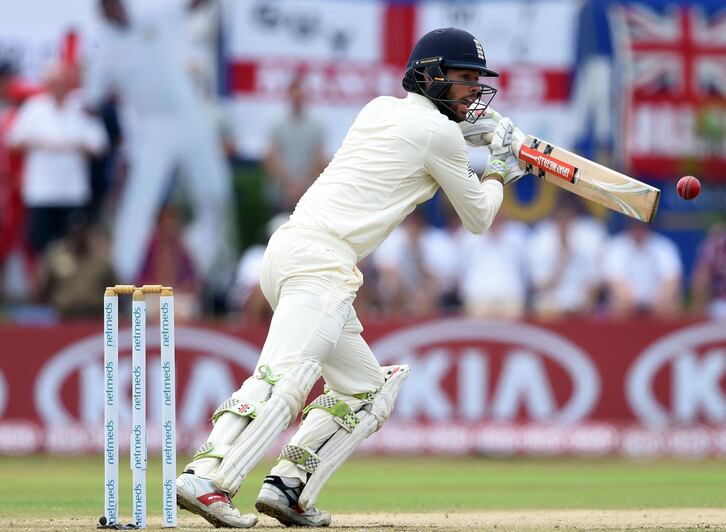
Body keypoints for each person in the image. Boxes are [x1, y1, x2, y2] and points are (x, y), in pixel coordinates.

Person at [174, 27, 524, 528]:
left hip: (289, 250)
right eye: (463, 78)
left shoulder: (379, 109)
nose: (473, 89)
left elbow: (425, 136)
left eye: (477, 80)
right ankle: (208, 477)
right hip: (323, 262)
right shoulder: (440, 135)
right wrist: (500, 168)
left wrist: (478, 131)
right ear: (430, 75)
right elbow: (479, 218)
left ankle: (288, 489)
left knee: (365, 391)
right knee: (286, 377)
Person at [83, 0, 234, 285]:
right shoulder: (104, 52)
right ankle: (122, 279)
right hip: (152, 129)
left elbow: (194, 6)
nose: (114, 9)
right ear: (102, 12)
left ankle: (208, 270)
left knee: (216, 193)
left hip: (189, 117)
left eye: (116, 3)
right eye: (107, 6)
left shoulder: (154, 17)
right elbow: (91, 102)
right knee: (139, 204)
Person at [7, 62, 107, 256]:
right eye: (53, 83)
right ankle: (45, 286)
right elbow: (13, 142)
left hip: (73, 191)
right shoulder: (34, 108)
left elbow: (100, 146)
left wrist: (73, 145)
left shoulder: (82, 108)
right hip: (41, 192)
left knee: (73, 246)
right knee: (41, 246)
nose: (58, 88)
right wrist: (41, 143)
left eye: (62, 83)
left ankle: (71, 287)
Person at [527, 194, 606, 319]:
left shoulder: (588, 237)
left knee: (594, 312)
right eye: (560, 219)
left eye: (568, 218)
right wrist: (562, 257)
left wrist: (587, 302)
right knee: (544, 308)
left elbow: (595, 284)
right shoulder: (542, 238)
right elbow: (540, 286)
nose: (564, 223)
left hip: (580, 299)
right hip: (551, 299)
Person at [263, 73, 327, 212]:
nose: (297, 98)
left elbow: (319, 160)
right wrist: (290, 186)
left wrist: (301, 186)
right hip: (280, 195)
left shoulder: (317, 126)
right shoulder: (277, 125)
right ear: (289, 95)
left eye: (301, 95)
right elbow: (272, 159)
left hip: (309, 196)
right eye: (295, 94)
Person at [601, 220, 683, 318]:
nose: (638, 231)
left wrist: (664, 297)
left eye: (642, 227)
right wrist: (627, 299)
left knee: (671, 302)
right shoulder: (615, 246)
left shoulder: (664, 246)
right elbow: (615, 280)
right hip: (627, 300)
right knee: (618, 302)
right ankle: (619, 332)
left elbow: (671, 279)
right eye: (635, 227)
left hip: (657, 300)